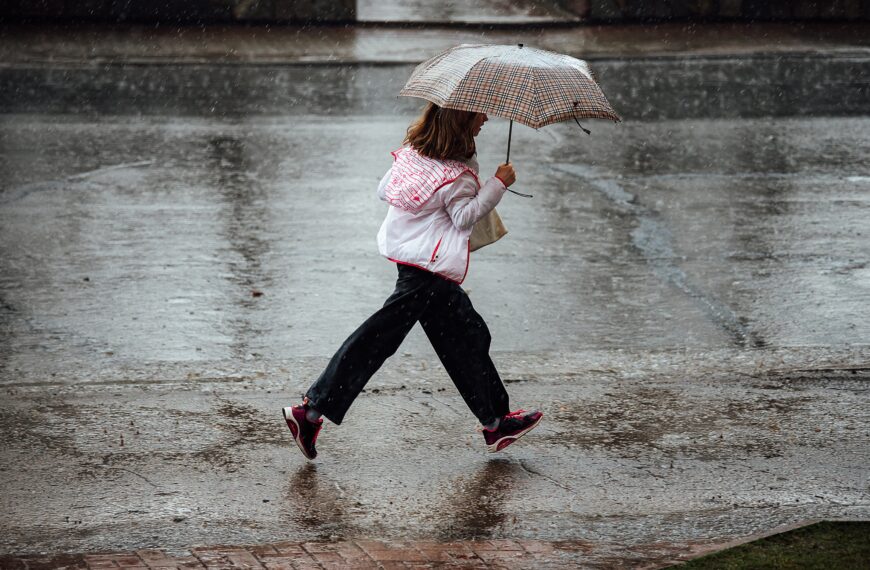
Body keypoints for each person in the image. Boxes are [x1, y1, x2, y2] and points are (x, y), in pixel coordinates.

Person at [283, 102, 543, 460]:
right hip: (429, 269)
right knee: (377, 339)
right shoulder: (457, 175)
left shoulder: (413, 155)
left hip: (414, 261)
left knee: (467, 335)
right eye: (480, 113)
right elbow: (464, 218)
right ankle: (310, 411)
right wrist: (498, 183)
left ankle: (496, 422)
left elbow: (384, 189)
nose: (486, 118)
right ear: (461, 118)